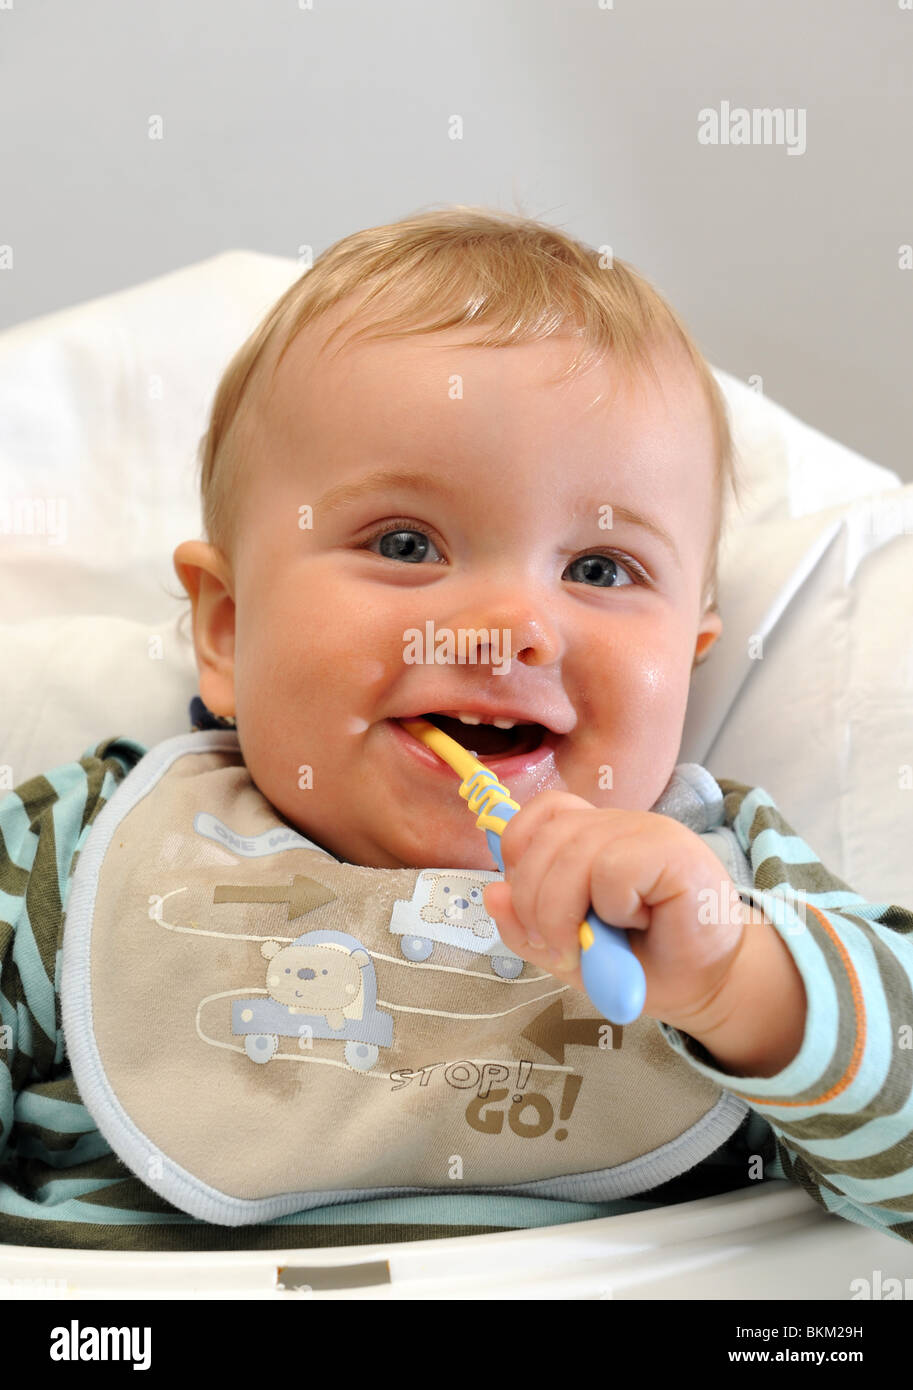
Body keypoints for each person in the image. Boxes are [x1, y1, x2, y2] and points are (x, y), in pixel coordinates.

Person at [2, 207, 912, 1253]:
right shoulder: (68, 855)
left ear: (692, 654)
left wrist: (740, 986)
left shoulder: (728, 887)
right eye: (404, 542)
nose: (509, 631)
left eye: (599, 570)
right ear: (228, 628)